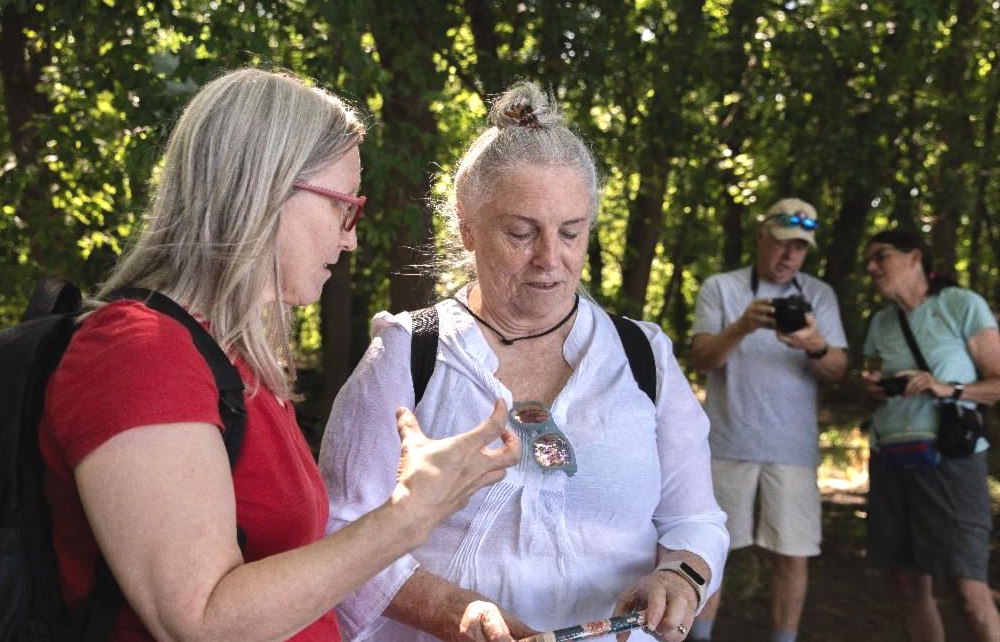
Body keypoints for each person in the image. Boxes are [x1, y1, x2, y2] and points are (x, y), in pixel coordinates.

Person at [38, 68, 521, 642]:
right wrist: (407, 518)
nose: (351, 238)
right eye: (346, 207)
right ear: (266, 189)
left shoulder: (230, 358)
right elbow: (200, 622)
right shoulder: (137, 353)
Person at [320, 82, 729, 642]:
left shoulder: (641, 356)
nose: (550, 259)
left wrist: (680, 576)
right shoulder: (408, 354)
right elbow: (339, 529)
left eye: (571, 232)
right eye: (521, 233)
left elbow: (695, 519)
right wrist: (454, 613)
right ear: (468, 226)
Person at [689, 198, 848, 642]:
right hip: (727, 442)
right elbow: (701, 360)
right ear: (762, 237)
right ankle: (700, 635)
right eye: (781, 244)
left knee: (792, 555)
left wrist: (814, 344)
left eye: (800, 248)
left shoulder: (819, 295)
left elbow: (837, 371)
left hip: (792, 449)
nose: (789, 256)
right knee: (711, 550)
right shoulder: (722, 288)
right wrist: (740, 326)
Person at [860, 229, 1000, 641]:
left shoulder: (960, 304)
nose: (871, 268)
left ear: (913, 257)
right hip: (890, 460)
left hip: (950, 461)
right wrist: (873, 387)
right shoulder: (882, 322)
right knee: (906, 586)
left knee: (968, 587)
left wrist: (946, 388)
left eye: (880, 257)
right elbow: (874, 382)